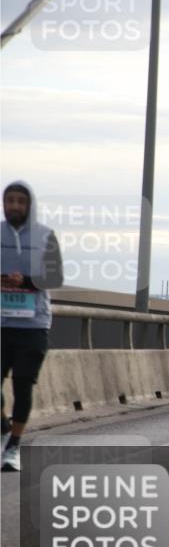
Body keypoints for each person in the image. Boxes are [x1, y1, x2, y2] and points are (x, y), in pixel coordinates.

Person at [1, 181, 63, 472]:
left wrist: (24, 281)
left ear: (29, 204)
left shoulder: (45, 236)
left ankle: (14, 445)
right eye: (9, 200)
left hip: (33, 324)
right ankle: (4, 425)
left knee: (22, 385)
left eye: (19, 201)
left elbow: (55, 278)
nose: (14, 206)